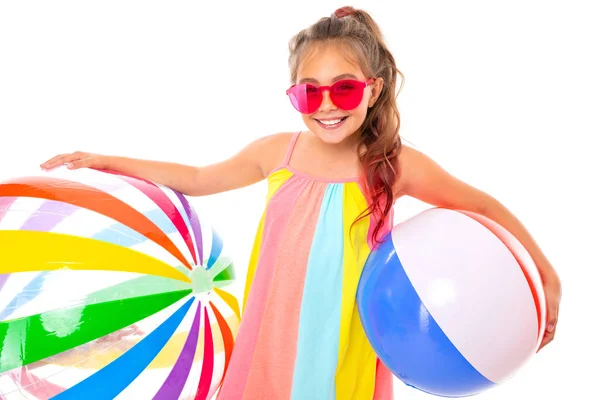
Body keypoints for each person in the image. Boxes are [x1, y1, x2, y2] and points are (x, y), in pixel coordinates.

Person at [40, 6, 562, 400]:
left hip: (346, 350)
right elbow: (198, 178)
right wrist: (110, 161)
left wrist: (546, 275)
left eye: (345, 89)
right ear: (293, 95)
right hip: (270, 337)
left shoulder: (392, 164)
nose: (328, 106)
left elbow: (484, 209)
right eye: (310, 93)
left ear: (373, 90)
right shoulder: (278, 152)